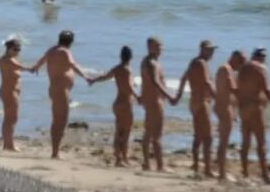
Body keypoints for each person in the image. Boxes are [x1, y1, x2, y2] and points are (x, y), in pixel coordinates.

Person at [31, 29, 90, 159]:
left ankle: (55, 151)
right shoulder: (65, 51)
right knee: (61, 121)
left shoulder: (52, 50)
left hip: (54, 89)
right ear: (71, 42)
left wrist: (34, 68)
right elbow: (72, 65)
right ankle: (55, 152)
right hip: (61, 90)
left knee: (57, 120)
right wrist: (86, 77)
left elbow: (40, 62)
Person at [237, 48, 270, 183]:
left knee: (245, 141)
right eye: (263, 56)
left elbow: (238, 88)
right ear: (259, 57)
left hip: (244, 107)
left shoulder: (243, 68)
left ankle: (245, 173)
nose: (264, 59)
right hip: (256, 107)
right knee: (261, 142)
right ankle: (265, 175)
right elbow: (267, 89)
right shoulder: (260, 68)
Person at [89, 45, 141, 167]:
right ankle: (122, 158)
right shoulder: (127, 70)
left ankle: (119, 158)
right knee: (126, 132)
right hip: (126, 103)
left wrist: (94, 80)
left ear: (121, 56)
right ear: (131, 57)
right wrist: (137, 95)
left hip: (117, 103)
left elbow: (105, 77)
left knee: (119, 131)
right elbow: (128, 85)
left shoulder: (117, 68)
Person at [174, 40, 218, 178]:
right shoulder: (202, 63)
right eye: (209, 50)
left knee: (198, 135)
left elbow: (183, 79)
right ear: (202, 49)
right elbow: (207, 82)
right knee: (208, 137)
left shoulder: (194, 62)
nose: (212, 53)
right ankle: (207, 169)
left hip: (194, 102)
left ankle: (196, 165)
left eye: (213, 50)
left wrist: (178, 96)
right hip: (202, 101)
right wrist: (218, 98)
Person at [139, 37, 177, 172]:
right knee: (157, 134)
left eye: (161, 47)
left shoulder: (146, 61)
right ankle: (160, 165)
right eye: (157, 46)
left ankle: (147, 164)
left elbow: (147, 82)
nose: (160, 49)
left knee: (148, 132)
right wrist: (169, 95)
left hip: (149, 100)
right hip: (155, 101)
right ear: (149, 47)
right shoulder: (152, 63)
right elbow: (156, 82)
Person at [0, 38, 33, 151]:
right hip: (9, 91)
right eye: (15, 49)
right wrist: (34, 68)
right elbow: (23, 68)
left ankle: (7, 143)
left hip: (9, 91)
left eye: (19, 50)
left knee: (10, 118)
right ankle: (9, 144)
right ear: (9, 49)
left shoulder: (5, 59)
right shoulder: (10, 60)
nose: (17, 52)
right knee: (11, 118)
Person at [214, 49, 246, 181]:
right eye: (241, 62)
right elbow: (233, 89)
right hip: (224, 107)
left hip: (226, 106)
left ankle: (222, 171)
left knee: (224, 140)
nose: (241, 66)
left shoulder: (229, 70)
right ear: (234, 58)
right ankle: (222, 173)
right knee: (224, 141)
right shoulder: (226, 69)